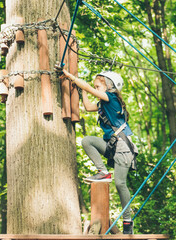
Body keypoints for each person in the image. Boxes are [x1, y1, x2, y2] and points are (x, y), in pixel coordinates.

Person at [58, 67, 137, 234]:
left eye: (98, 86)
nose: (95, 88)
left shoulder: (112, 98)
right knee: (87, 141)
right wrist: (82, 91)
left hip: (123, 149)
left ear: (110, 87)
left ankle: (128, 222)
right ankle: (103, 171)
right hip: (111, 146)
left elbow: (88, 88)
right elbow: (87, 107)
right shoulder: (103, 103)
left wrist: (71, 77)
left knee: (120, 183)